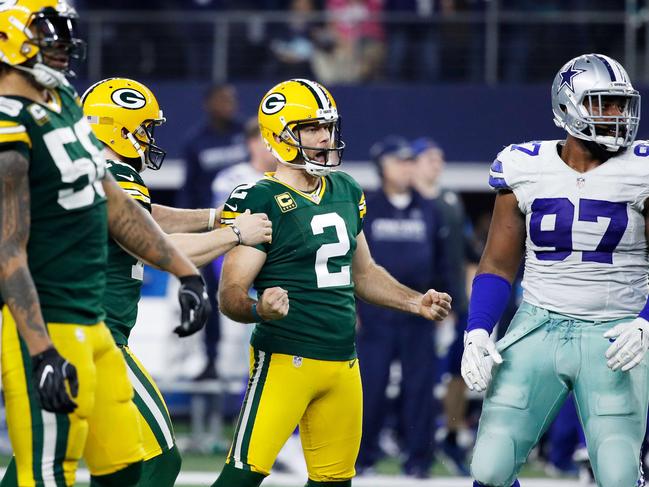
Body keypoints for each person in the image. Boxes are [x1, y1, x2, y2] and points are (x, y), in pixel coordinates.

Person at [0, 2, 211, 486]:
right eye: (50, 37)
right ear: (13, 43)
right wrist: (41, 349)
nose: (63, 48)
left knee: (127, 467)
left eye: (64, 37)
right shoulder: (7, 124)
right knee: (49, 473)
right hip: (48, 320)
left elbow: (118, 205)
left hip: (91, 322)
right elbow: (7, 247)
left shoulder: (65, 105)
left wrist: (184, 271)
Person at [211, 78, 452, 487]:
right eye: (311, 127)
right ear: (281, 134)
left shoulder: (346, 188)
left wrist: (415, 302)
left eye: (327, 126)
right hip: (286, 360)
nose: (324, 136)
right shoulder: (259, 197)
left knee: (335, 483)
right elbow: (229, 292)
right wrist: (258, 309)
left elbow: (365, 273)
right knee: (240, 478)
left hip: (343, 362)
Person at [462, 53, 649, 487]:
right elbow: (497, 263)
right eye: (605, 103)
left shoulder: (641, 168)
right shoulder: (525, 165)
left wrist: (644, 323)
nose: (618, 115)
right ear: (568, 107)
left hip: (616, 332)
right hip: (539, 324)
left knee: (619, 476)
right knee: (490, 468)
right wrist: (477, 329)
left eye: (622, 104)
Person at [81, 78, 273, 487]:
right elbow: (155, 243)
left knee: (77, 464)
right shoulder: (113, 171)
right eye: (145, 127)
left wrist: (214, 217)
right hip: (95, 338)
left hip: (76, 328)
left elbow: (144, 217)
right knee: (159, 457)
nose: (150, 137)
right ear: (118, 127)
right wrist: (236, 234)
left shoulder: (93, 171)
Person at [355, 136, 449, 479]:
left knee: (420, 389)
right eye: (400, 162)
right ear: (382, 167)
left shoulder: (429, 209)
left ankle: (418, 461)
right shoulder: (367, 208)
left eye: (411, 161)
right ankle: (362, 458)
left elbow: (442, 262)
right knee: (369, 387)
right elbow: (354, 263)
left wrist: (446, 304)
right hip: (375, 316)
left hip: (419, 317)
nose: (407, 167)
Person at [178, 83, 247, 380]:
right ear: (209, 103)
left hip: (251, 227)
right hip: (216, 230)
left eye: (232, 99)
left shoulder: (245, 136)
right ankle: (211, 359)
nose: (229, 104)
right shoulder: (196, 142)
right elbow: (189, 190)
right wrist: (195, 229)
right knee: (212, 293)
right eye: (222, 99)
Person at [411, 137, 472, 475]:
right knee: (420, 376)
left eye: (440, 158)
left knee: (459, 374)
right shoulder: (409, 203)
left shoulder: (450, 200)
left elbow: (466, 253)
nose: (437, 163)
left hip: (455, 303)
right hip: (422, 304)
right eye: (429, 158)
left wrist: (468, 296)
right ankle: (414, 436)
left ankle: (451, 431)